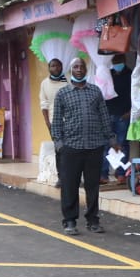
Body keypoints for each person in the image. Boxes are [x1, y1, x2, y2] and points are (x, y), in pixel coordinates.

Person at [51, 57, 111, 236]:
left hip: (94, 146)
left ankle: (93, 220)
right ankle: (70, 221)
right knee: (70, 185)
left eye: (81, 66)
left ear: (86, 70)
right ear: (70, 71)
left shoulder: (95, 91)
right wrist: (59, 143)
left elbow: (104, 116)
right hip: (71, 147)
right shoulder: (63, 93)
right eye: (75, 67)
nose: (79, 69)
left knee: (93, 186)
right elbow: (56, 121)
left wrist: (111, 138)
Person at [103, 54, 133, 185]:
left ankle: (121, 173)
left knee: (122, 145)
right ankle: (103, 174)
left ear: (124, 61)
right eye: (114, 61)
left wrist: (130, 112)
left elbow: (135, 94)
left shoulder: (131, 75)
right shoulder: (107, 74)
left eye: (119, 61)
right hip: (108, 114)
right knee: (105, 145)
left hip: (123, 115)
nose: (117, 63)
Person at [39, 58, 68, 189]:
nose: (55, 68)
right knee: (59, 151)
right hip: (54, 123)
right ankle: (61, 178)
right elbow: (43, 105)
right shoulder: (45, 83)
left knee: (73, 151)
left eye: (58, 66)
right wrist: (47, 123)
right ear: (49, 68)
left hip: (70, 122)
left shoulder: (68, 81)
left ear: (62, 67)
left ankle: (74, 178)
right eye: (53, 66)